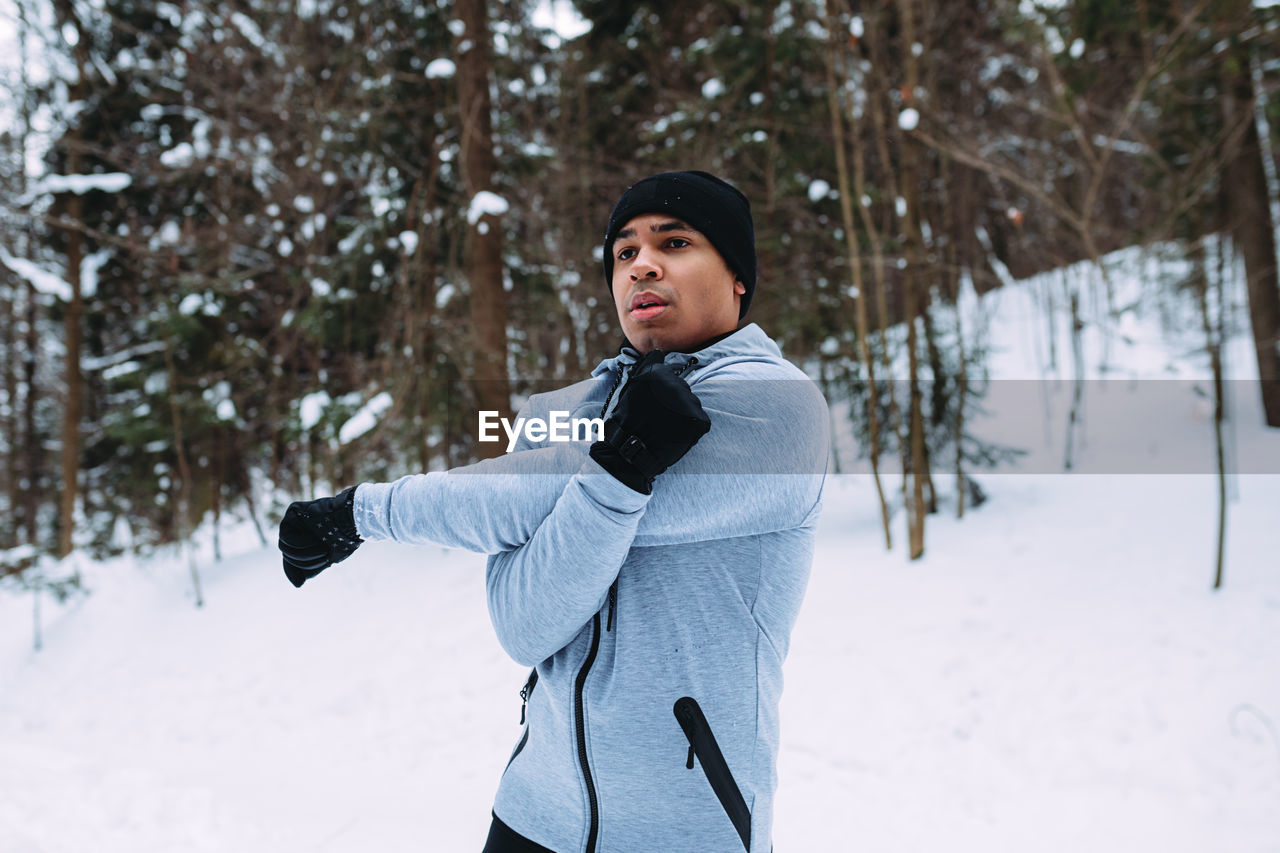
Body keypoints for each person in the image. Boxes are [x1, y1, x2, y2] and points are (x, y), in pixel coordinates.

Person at [277, 170, 830, 852]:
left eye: (675, 242)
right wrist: (622, 462)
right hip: (531, 815)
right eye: (623, 253)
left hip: (684, 830)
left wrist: (361, 511)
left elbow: (518, 497)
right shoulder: (562, 412)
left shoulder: (778, 409)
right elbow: (523, 624)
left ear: (739, 277)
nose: (642, 265)